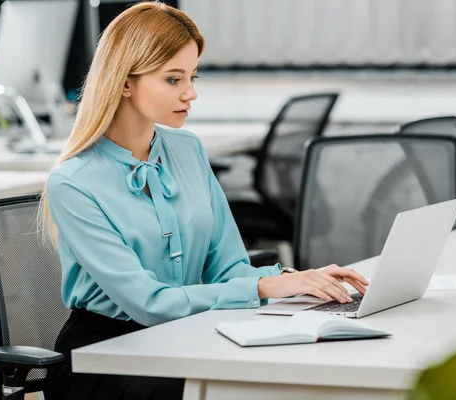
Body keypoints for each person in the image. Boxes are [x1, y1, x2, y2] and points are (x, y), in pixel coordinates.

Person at [41, 2, 369, 399]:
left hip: (186, 334)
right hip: (104, 355)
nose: (191, 93)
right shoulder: (73, 182)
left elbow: (229, 266)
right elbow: (149, 303)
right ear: (125, 81)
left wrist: (297, 282)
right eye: (173, 79)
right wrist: (264, 287)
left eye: (193, 76)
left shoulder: (187, 148)